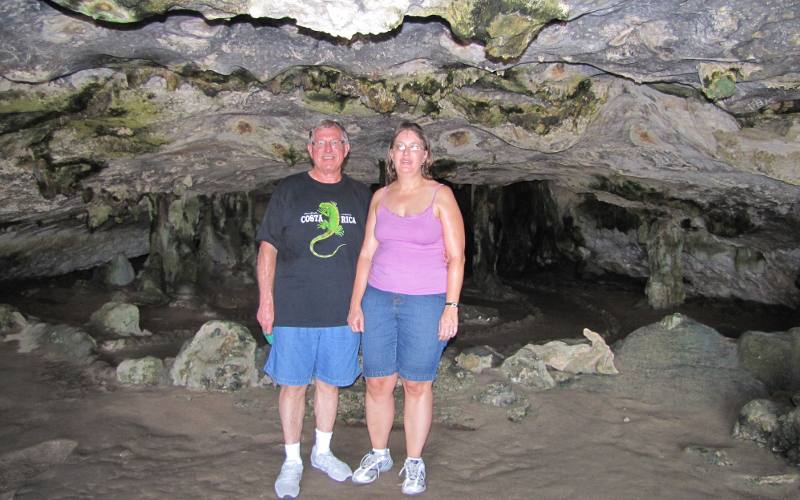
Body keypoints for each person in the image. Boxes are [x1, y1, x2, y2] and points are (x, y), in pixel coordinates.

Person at [347, 122, 465, 495]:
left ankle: (414, 462)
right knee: (378, 380)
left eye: (415, 147)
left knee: (416, 383)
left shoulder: (441, 195)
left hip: (426, 300)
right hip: (379, 299)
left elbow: (457, 257)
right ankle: (379, 453)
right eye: (400, 147)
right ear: (391, 155)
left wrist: (451, 306)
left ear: (426, 155)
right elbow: (366, 252)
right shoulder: (379, 197)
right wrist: (355, 302)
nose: (407, 154)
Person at [256, 119, 371, 499]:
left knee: (329, 384)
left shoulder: (361, 195)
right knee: (292, 385)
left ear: (346, 149)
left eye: (335, 142)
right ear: (309, 149)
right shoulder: (289, 190)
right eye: (320, 143)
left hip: (342, 311)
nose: (327, 149)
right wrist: (266, 301)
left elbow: (375, 253)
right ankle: (292, 459)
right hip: (293, 306)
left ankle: (322, 451)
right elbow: (267, 248)